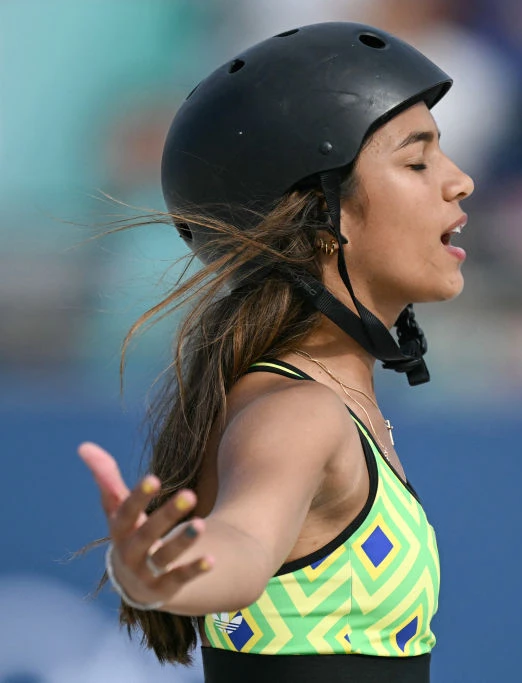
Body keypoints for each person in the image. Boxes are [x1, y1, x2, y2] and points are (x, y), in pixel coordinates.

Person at [78, 21, 474, 682]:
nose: (459, 181)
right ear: (320, 215)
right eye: (417, 159)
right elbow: (242, 544)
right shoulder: (301, 413)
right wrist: (157, 572)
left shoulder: (326, 399)